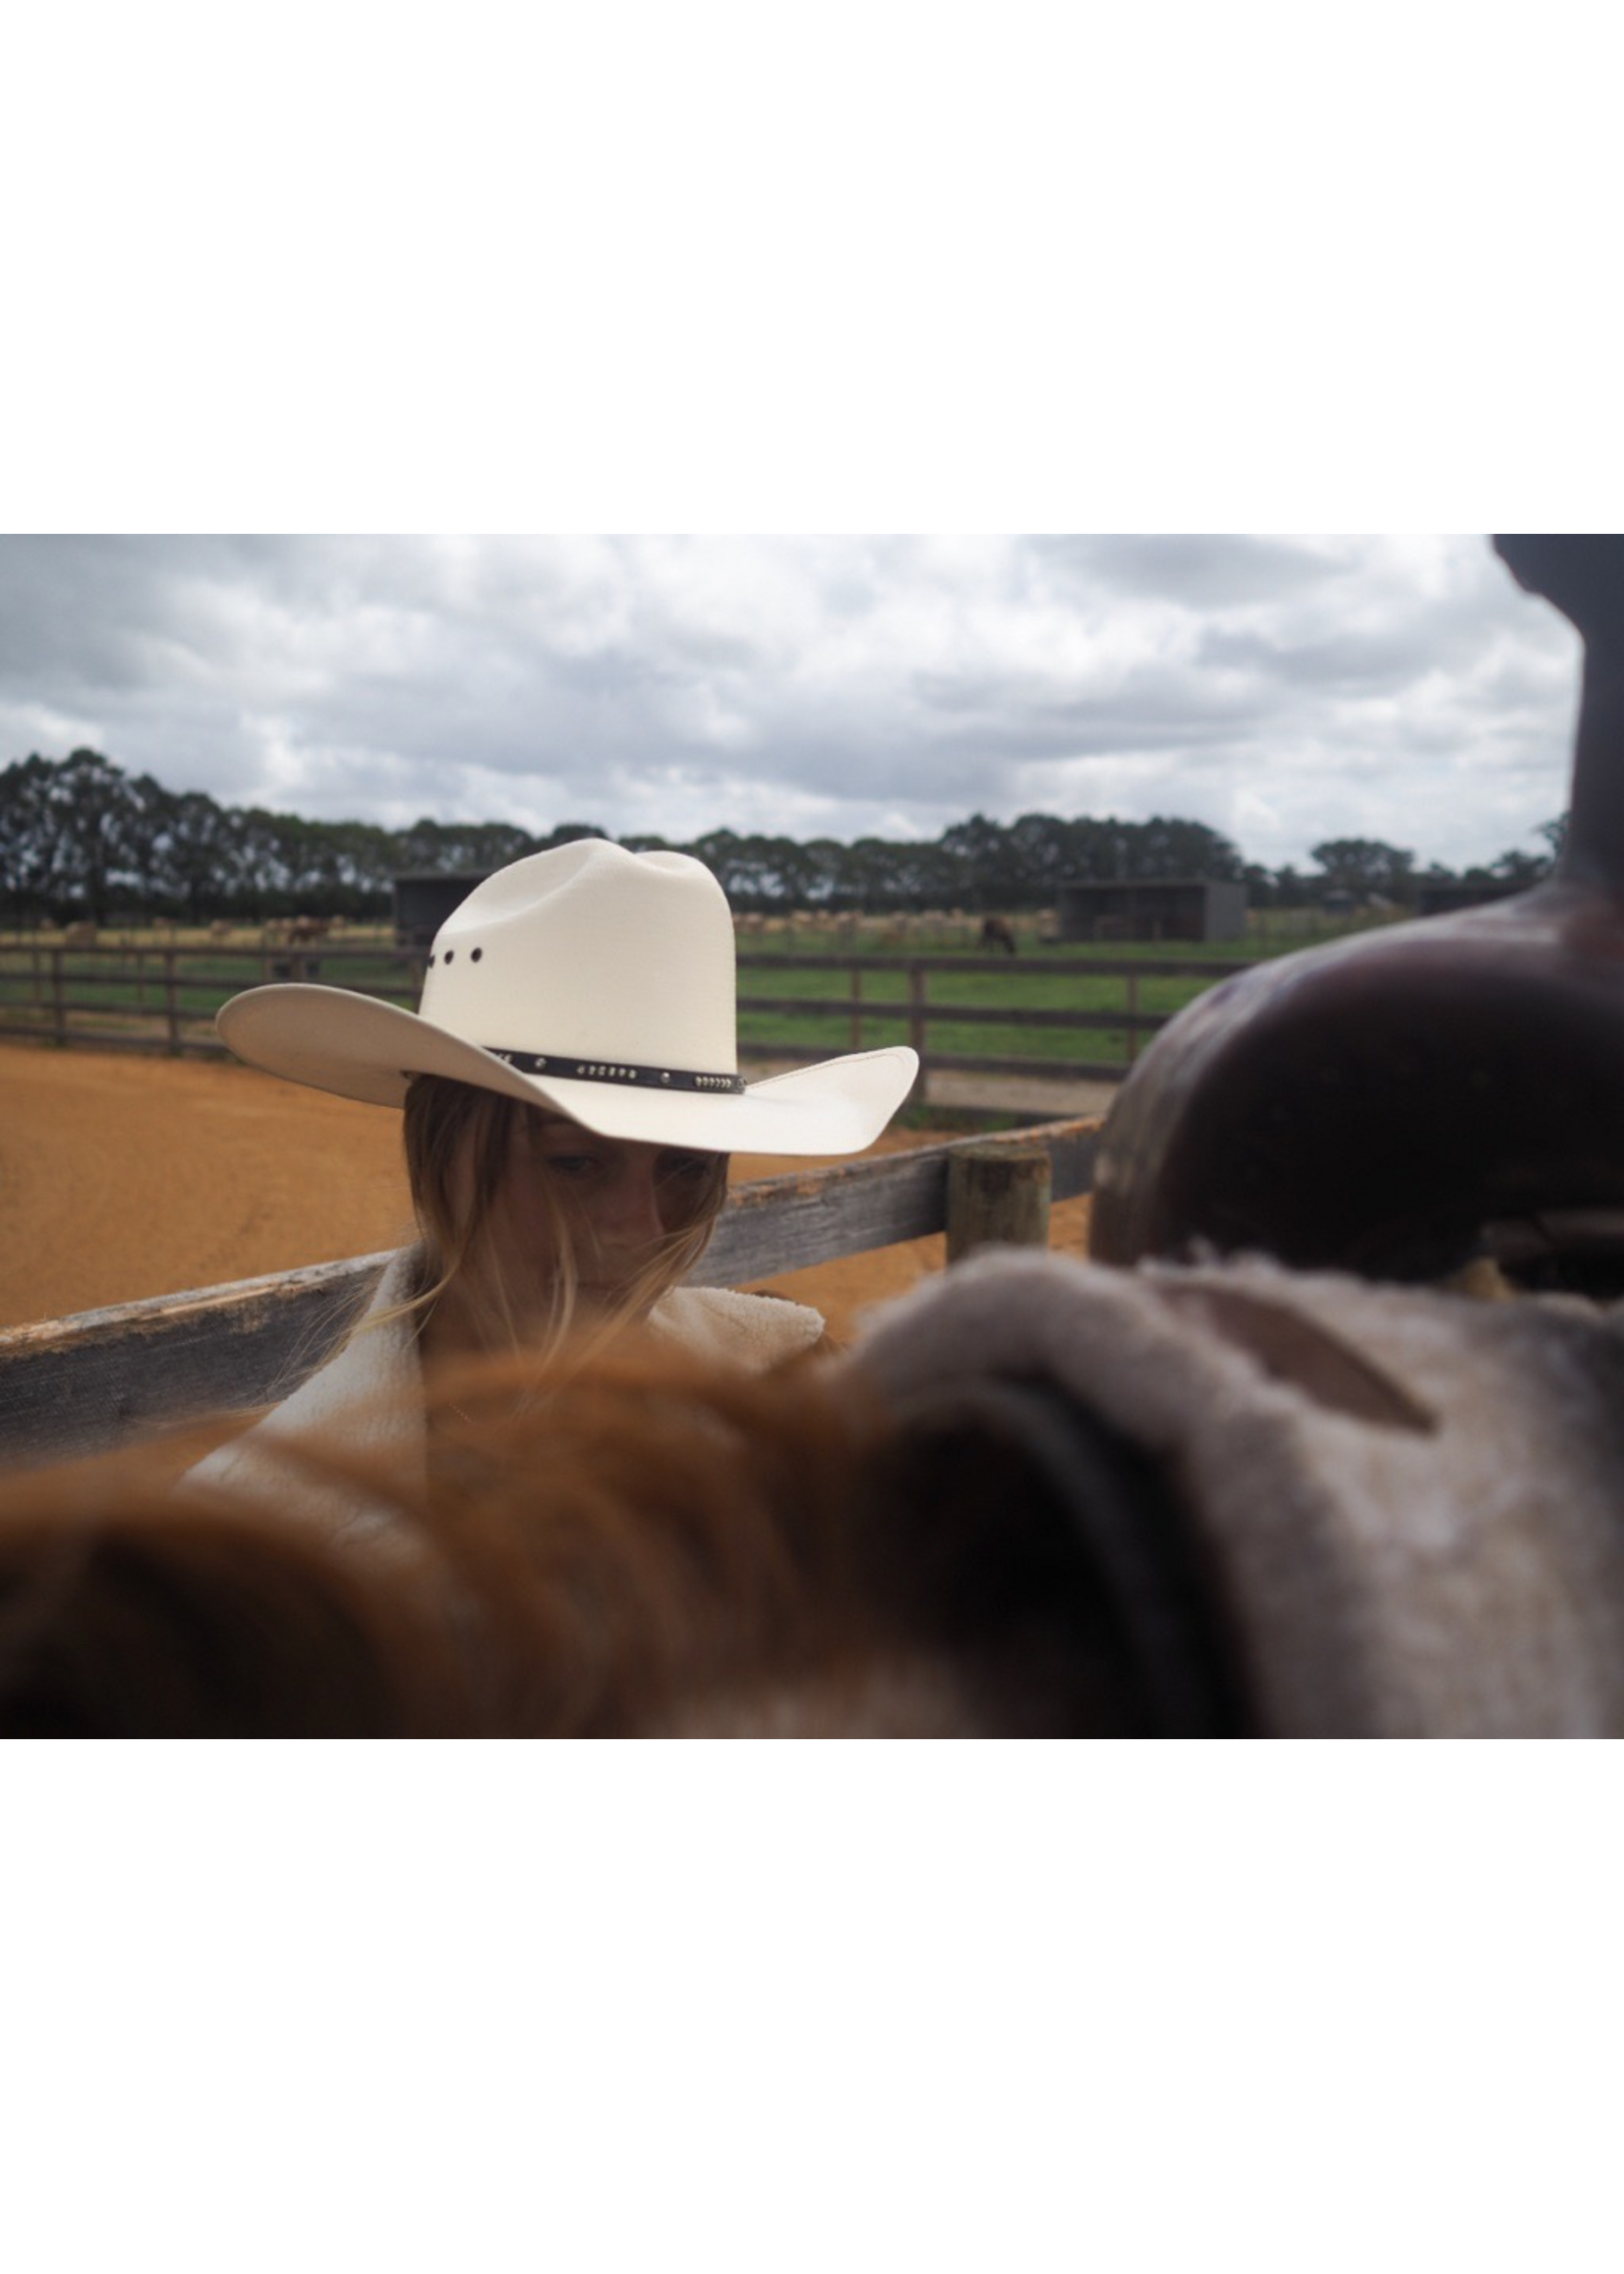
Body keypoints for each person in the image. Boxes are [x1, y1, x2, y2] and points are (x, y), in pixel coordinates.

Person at [192, 840, 916, 1534]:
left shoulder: (780, 1387)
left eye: (687, 1167)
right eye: (573, 1163)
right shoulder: (263, 1526)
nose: (641, 1227)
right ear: (439, 1154)